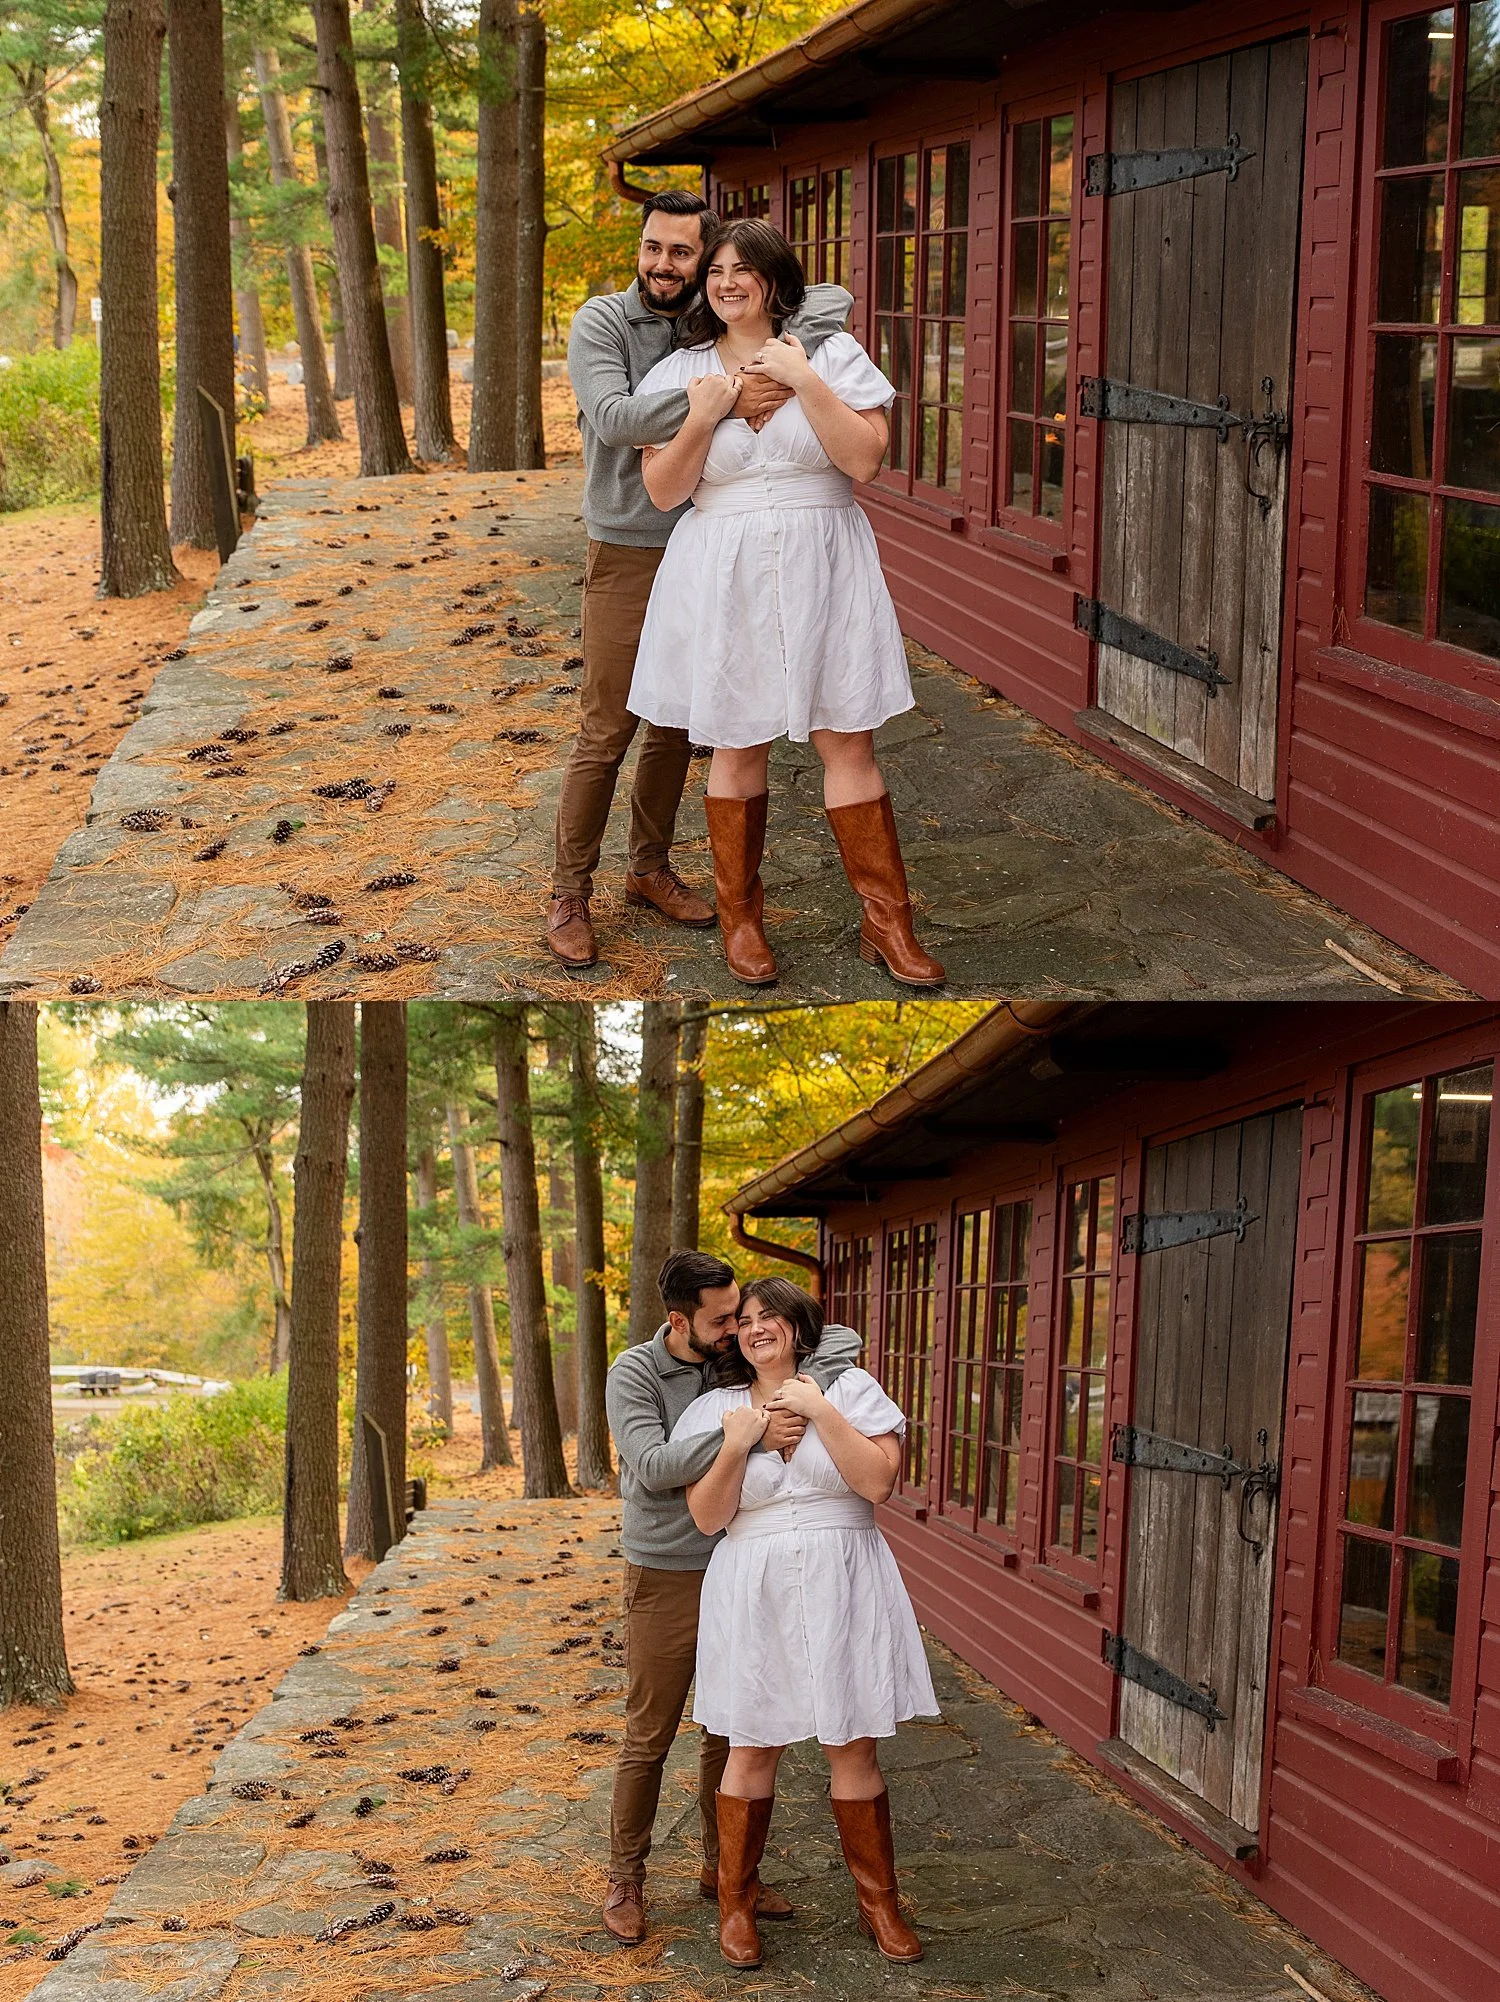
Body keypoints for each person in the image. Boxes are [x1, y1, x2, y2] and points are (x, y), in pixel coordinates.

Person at [627, 218, 945, 991]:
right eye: (716, 272)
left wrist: (805, 380)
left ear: (776, 280)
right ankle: (741, 921)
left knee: (849, 745)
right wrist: (705, 415)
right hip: (722, 566)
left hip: (826, 558)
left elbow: (866, 461)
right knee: (737, 747)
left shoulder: (834, 355)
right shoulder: (682, 374)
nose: (727, 282)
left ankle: (888, 922)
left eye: (744, 269)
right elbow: (665, 491)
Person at [550, 193, 854, 971]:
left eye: (683, 253)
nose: (664, 265)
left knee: (680, 723)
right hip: (630, 545)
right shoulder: (604, 322)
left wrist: (756, 361)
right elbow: (615, 420)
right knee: (608, 725)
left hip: (710, 545)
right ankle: (569, 892)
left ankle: (648, 869)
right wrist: (716, 400)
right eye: (654, 248)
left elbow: (829, 297)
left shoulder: (710, 320)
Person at [671, 1276, 937, 1969]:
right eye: (746, 1320)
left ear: (798, 1327)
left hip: (843, 1575)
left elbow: (877, 1483)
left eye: (771, 1317)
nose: (757, 1328)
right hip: (752, 1584)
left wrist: (819, 1411)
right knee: (752, 1744)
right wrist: (740, 1444)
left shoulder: (848, 1391)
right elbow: (706, 1518)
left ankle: (880, 1904)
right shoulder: (717, 1409)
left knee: (852, 1743)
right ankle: (736, 1905)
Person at [600, 1249, 861, 1944]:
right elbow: (652, 1467)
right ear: (678, 1319)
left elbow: (840, 1338)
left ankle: (727, 1874)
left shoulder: (735, 1362)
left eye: (741, 1314)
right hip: (669, 1572)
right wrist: (737, 1437)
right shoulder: (635, 1372)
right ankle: (626, 1877)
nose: (736, 1330)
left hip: (740, 1563)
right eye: (722, 1321)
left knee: (733, 1728)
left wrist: (785, 1396)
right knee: (649, 1734)